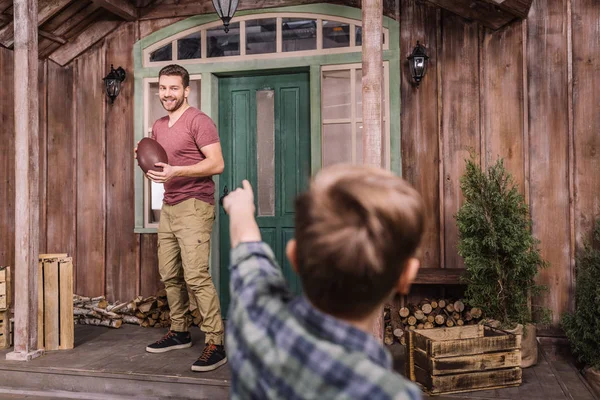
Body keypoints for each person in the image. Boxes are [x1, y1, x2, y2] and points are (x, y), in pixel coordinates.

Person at [222, 164, 425, 399]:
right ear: (406, 276)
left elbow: (246, 245)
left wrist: (240, 207)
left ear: (293, 257)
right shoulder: (391, 394)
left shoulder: (256, 314)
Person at [139, 64, 226, 372]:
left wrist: (178, 171)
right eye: (163, 88)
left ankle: (215, 342)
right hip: (170, 205)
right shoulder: (159, 125)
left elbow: (216, 164)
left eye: (174, 88)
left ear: (186, 90)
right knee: (170, 274)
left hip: (195, 205)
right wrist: (143, 155)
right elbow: (160, 162)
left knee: (196, 277)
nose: (167, 94)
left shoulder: (199, 121)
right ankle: (179, 331)